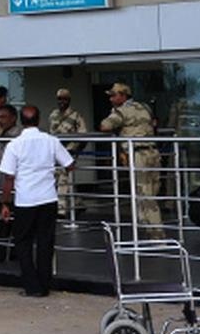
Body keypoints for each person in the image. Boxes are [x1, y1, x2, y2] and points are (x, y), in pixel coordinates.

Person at [0, 105, 75, 298]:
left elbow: (8, 178)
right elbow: (70, 164)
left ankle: (31, 286)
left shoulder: (14, 145)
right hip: (48, 198)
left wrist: (5, 204)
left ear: (21, 121)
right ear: (39, 120)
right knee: (45, 243)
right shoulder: (51, 141)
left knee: (23, 243)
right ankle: (44, 284)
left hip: (25, 200)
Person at [99, 83, 164, 239]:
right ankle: (145, 223)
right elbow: (154, 125)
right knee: (152, 192)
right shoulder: (145, 107)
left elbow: (104, 126)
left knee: (145, 195)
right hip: (153, 153)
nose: (110, 98)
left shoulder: (121, 111)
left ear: (123, 96)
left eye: (113, 95)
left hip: (139, 155)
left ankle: (157, 234)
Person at [0, 104, 21, 262]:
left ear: (14, 118)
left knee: (13, 227)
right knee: (0, 227)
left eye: (4, 117)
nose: (0, 120)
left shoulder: (17, 137)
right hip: (0, 188)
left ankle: (10, 258)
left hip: (12, 190)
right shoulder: (0, 136)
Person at [49, 89, 87, 218]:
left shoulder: (76, 115)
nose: (62, 101)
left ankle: (61, 210)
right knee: (59, 178)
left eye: (64, 99)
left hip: (69, 151)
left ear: (69, 100)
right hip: (55, 151)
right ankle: (78, 203)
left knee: (63, 180)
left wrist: (77, 151)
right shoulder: (53, 115)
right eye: (59, 98)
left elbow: (84, 135)